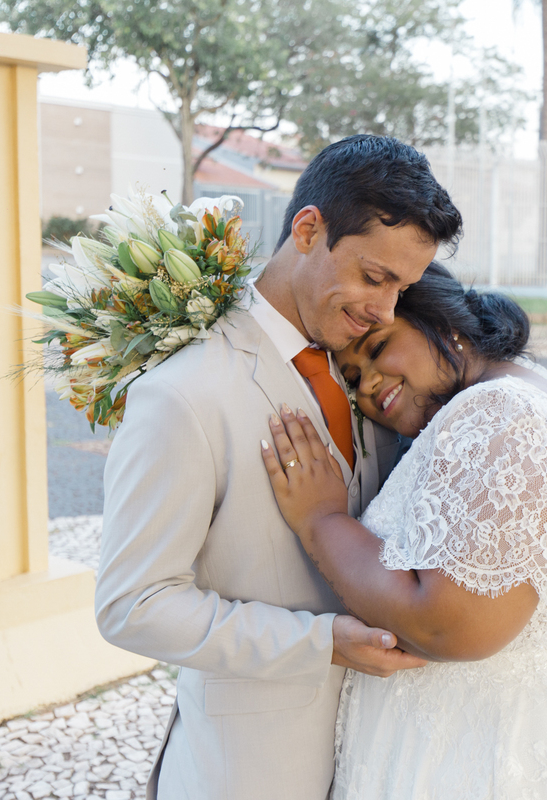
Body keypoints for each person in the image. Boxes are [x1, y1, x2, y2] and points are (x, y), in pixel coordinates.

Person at [94, 136, 463, 800]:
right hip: (248, 774)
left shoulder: (369, 364)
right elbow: (133, 606)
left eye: (402, 288)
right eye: (374, 276)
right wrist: (319, 642)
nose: (384, 308)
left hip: (383, 758)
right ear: (307, 228)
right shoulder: (183, 394)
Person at [261, 263, 547, 799]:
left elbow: (449, 626)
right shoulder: (510, 391)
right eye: (355, 379)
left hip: (509, 757)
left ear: (443, 323)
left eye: (379, 346)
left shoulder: (502, 414)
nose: (370, 385)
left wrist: (322, 521)